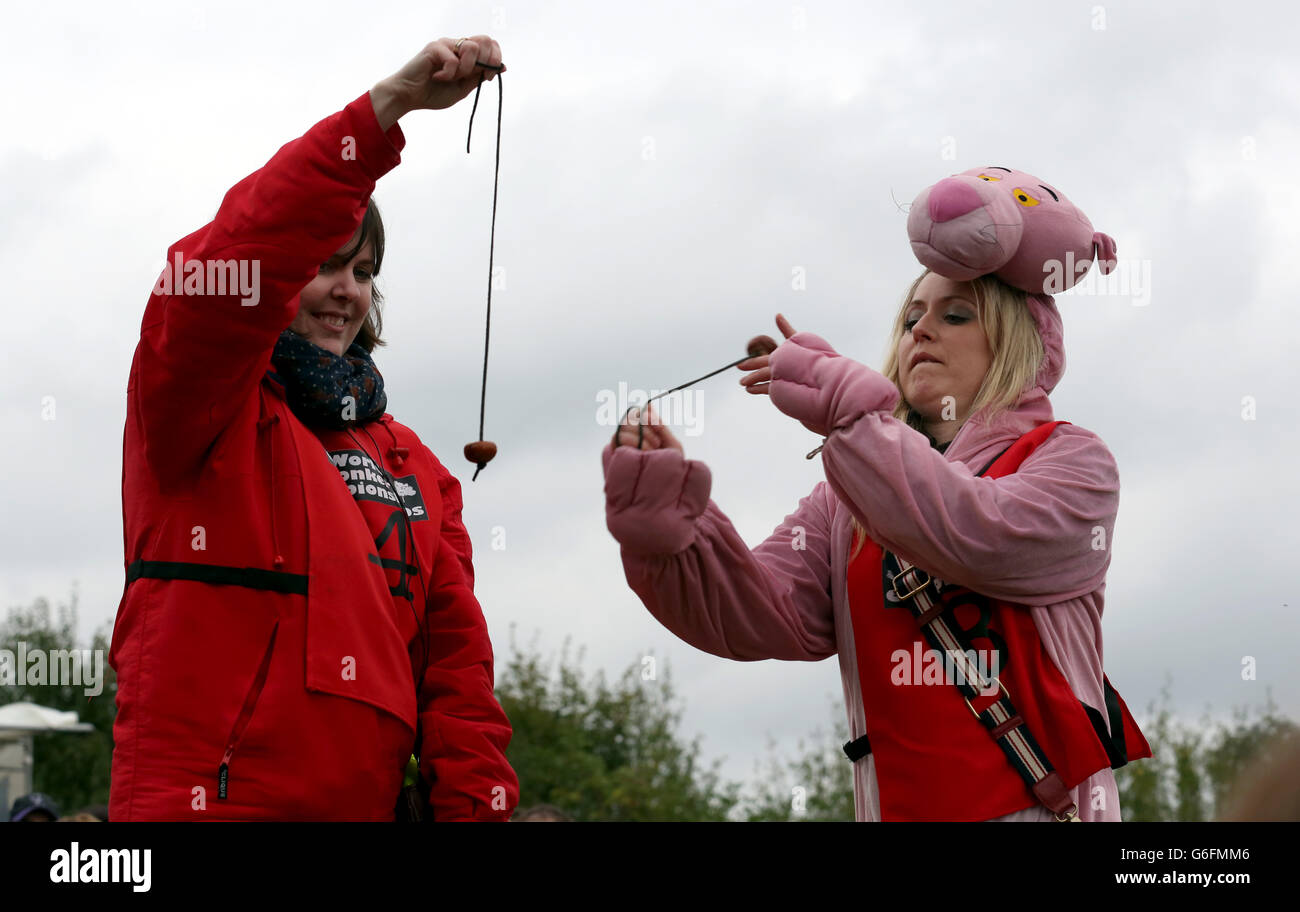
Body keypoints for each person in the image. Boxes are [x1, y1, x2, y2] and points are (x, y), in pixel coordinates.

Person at [602, 168, 1150, 821]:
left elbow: (979, 535)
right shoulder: (847, 495)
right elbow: (762, 614)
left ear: (1020, 341)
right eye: (911, 317)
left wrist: (854, 419)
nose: (920, 331)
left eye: (955, 314)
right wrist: (672, 532)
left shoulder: (1073, 460)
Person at [110, 36, 518, 821]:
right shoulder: (200, 402)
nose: (347, 292)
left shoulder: (422, 473)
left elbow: (459, 680)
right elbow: (226, 266)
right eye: (325, 264)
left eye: (364, 273)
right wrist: (384, 113)